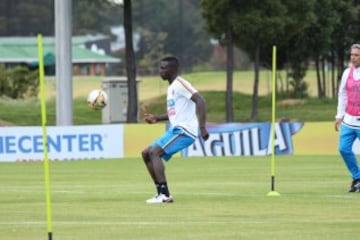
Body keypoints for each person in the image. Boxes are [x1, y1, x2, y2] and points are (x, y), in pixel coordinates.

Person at [141, 56, 209, 203]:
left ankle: (165, 196)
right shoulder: (171, 88)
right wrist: (157, 118)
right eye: (160, 67)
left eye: (163, 68)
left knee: (154, 152)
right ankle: (160, 193)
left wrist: (203, 127)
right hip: (176, 130)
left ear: (172, 69)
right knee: (146, 153)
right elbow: (175, 112)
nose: (160, 71)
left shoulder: (180, 84)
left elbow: (201, 100)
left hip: (185, 131)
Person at [335, 43, 360, 192]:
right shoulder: (346, 73)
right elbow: (342, 94)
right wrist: (339, 115)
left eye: (356, 55)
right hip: (349, 121)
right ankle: (357, 177)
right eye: (352, 55)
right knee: (343, 149)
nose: (353, 58)